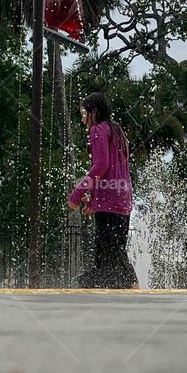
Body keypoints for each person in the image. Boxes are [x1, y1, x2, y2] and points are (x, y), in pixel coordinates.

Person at [68, 91, 139, 289]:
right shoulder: (117, 131)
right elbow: (114, 172)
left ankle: (138, 293)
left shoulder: (98, 129)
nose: (83, 119)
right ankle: (94, 288)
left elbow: (101, 165)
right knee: (106, 256)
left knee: (113, 254)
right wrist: (95, 200)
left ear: (95, 112)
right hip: (122, 197)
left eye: (84, 113)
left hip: (110, 200)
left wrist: (78, 193)